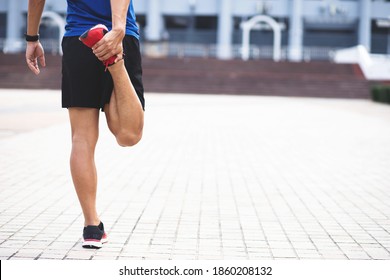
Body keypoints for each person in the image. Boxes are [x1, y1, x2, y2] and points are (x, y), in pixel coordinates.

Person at [25, 0, 145, 249]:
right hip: (119, 36)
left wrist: (32, 38)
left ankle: (92, 227)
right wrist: (118, 28)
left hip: (79, 39)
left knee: (81, 137)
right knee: (128, 135)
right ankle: (115, 62)